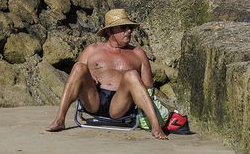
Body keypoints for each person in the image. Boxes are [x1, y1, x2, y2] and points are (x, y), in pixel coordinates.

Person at [45, 8, 168, 139]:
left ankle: (156, 126)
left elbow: (149, 86)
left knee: (131, 74)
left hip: (120, 104)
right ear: (110, 31)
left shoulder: (138, 53)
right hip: (93, 99)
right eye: (123, 27)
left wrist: (131, 81)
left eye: (130, 27)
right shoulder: (92, 50)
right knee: (79, 67)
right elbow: (77, 77)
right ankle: (59, 119)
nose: (129, 31)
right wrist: (89, 78)